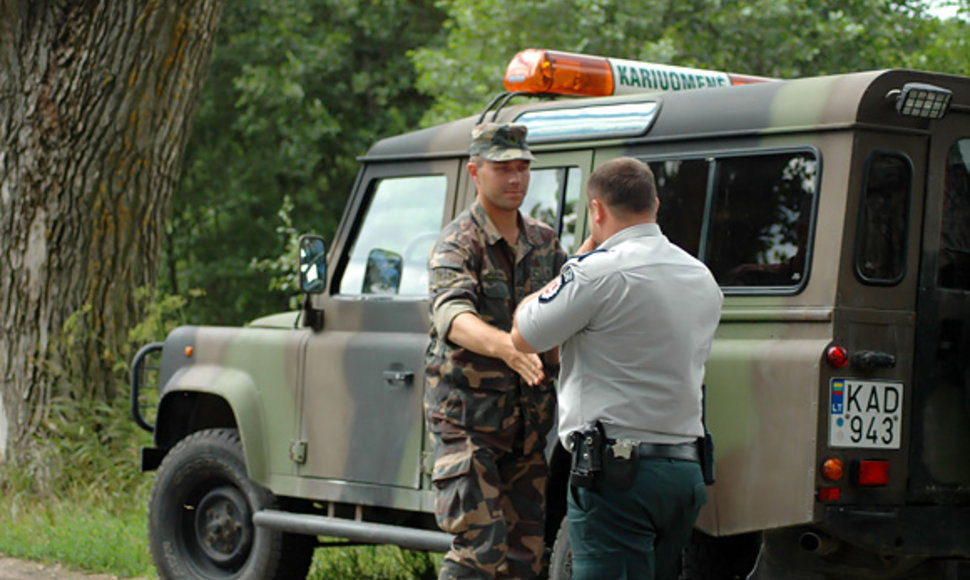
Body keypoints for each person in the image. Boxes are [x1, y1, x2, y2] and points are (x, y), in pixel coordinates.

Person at [511, 157, 723, 580]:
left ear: (596, 210)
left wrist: (573, 265)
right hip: (684, 471)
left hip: (618, 475)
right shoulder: (701, 276)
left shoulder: (596, 273)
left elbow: (524, 335)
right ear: (655, 205)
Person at [425, 122, 568, 579]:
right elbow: (452, 316)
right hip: (467, 424)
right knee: (479, 550)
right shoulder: (458, 242)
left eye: (523, 167)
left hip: (526, 427)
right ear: (475, 171)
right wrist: (508, 347)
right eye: (503, 168)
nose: (515, 179)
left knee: (524, 559)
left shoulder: (544, 242)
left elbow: (569, 303)